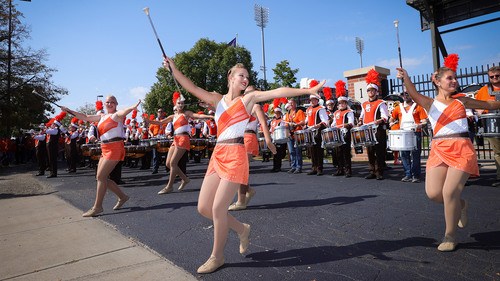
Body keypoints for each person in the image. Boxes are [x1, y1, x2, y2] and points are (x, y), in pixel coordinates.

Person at [163, 56, 325, 274]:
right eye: (241, 75)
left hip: (236, 155)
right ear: (230, 77)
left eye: (247, 77)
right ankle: (242, 228)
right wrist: (173, 68)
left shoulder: (248, 99)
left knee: (218, 208)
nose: (245, 79)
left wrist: (307, 90)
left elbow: (278, 91)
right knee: (203, 208)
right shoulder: (216, 99)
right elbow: (190, 86)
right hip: (218, 154)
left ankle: (217, 256)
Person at [397, 66, 500, 252]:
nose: (454, 81)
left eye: (455, 78)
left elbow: (489, 105)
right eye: (449, 78)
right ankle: (461, 204)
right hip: (438, 149)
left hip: (461, 148)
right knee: (434, 193)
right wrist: (406, 78)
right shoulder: (429, 103)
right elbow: (413, 94)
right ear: (437, 81)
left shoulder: (462, 101)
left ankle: (450, 235)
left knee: (449, 191)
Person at [60, 96, 140, 217]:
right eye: (107, 102)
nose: (110, 103)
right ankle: (123, 197)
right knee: (101, 177)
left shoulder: (116, 115)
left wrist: (132, 107)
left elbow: (123, 112)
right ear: (104, 104)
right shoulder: (102, 117)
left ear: (116, 104)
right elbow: (85, 117)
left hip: (115, 148)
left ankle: (97, 207)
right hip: (105, 148)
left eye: (112, 102)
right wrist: (69, 111)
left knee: (101, 177)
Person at [151, 98, 213, 194]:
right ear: (175, 104)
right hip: (175, 139)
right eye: (179, 103)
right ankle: (184, 179)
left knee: (173, 163)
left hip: (183, 138)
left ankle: (169, 186)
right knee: (168, 164)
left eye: (182, 103)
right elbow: (160, 122)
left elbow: (197, 115)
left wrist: (209, 116)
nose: (181, 105)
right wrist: (147, 120)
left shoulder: (186, 113)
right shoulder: (173, 116)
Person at [229, 86, 276, 211]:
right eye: (245, 93)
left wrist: (268, 141)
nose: (246, 94)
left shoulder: (256, 107)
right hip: (239, 138)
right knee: (238, 169)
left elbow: (263, 124)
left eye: (249, 92)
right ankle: (248, 191)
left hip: (249, 137)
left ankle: (241, 201)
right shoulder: (242, 107)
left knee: (240, 170)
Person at [389, 92, 428, 183]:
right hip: (403, 133)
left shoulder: (418, 107)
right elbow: (392, 118)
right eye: (403, 94)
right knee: (404, 155)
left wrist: (421, 125)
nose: (405, 96)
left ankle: (416, 175)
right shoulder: (398, 107)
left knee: (415, 155)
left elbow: (424, 120)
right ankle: (408, 174)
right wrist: (391, 122)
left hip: (415, 133)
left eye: (408, 94)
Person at [475, 66, 500, 186]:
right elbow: (476, 105)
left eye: (497, 75)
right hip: (493, 125)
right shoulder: (483, 91)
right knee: (498, 152)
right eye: (492, 76)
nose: (495, 78)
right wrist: (480, 110)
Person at [359, 83, 389, 180]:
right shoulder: (364, 104)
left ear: (376, 92)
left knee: (379, 151)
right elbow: (362, 116)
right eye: (369, 90)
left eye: (372, 90)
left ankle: (379, 172)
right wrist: (360, 122)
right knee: (370, 151)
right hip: (367, 130)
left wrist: (379, 120)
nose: (370, 92)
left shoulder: (380, 102)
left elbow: (385, 117)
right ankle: (372, 171)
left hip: (378, 130)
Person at [305, 93, 329, 176]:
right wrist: (304, 124)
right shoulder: (308, 109)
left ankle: (319, 168)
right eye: (311, 100)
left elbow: (325, 120)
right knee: (312, 150)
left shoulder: (321, 109)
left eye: (314, 100)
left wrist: (318, 125)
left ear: (317, 100)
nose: (312, 101)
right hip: (310, 131)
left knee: (319, 150)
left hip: (318, 131)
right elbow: (307, 120)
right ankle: (314, 168)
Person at [331, 96, 354, 177]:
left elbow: (351, 123)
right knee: (338, 152)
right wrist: (332, 126)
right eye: (340, 103)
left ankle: (348, 171)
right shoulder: (336, 113)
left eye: (343, 103)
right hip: (337, 134)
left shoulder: (349, 112)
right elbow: (333, 123)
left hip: (345, 134)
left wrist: (343, 125)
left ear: (346, 103)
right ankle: (340, 169)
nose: (341, 104)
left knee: (346, 153)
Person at [284, 98, 306, 174]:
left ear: (295, 104)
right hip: (290, 134)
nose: (291, 104)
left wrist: (296, 124)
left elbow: (303, 121)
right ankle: (293, 166)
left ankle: (298, 167)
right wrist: (288, 127)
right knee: (291, 151)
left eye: (292, 103)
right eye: (290, 103)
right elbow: (286, 124)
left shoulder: (299, 112)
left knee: (297, 151)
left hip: (297, 134)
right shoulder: (287, 114)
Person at [269, 107, 287, 172]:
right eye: (275, 113)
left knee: (279, 154)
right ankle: (274, 166)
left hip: (280, 139)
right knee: (274, 154)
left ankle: (278, 167)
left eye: (278, 113)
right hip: (274, 138)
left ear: (280, 113)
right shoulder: (272, 121)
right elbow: (271, 130)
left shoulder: (282, 121)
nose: (276, 114)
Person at [150, 108, 167, 174]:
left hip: (164, 138)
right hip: (156, 138)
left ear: (163, 113)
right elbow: (150, 130)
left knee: (166, 153)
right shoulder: (154, 121)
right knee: (155, 155)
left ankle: (167, 168)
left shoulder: (166, 121)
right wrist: (151, 134)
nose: (160, 113)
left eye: (161, 111)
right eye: (159, 112)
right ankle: (155, 169)